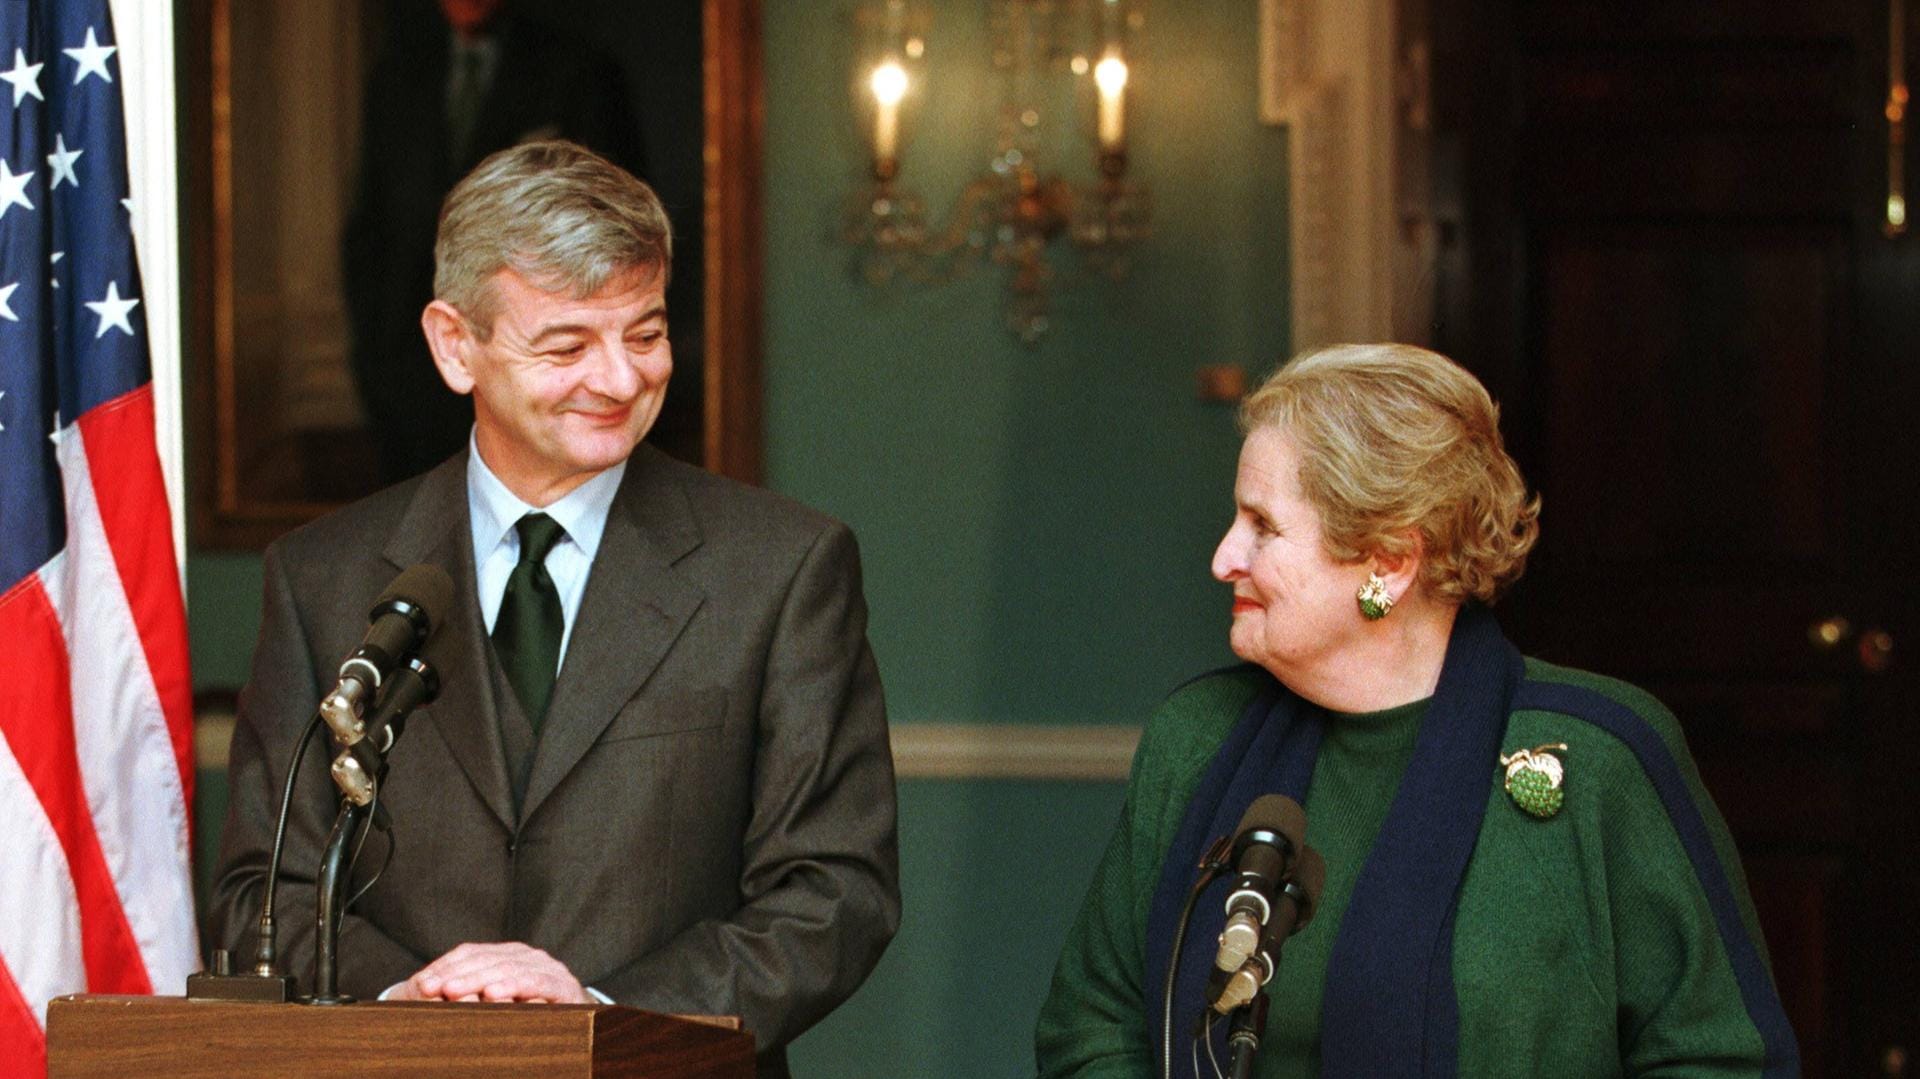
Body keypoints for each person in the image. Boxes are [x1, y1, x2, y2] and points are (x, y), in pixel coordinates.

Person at [213, 140, 899, 1079]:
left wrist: (600, 1019)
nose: (619, 379)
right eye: (568, 345)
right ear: (456, 345)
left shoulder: (783, 570)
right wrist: (418, 1006)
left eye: (646, 334)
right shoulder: (321, 577)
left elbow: (833, 892)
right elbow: (263, 892)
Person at [1034, 344, 1797, 1077]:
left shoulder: (1603, 759)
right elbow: (1092, 1021)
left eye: (1263, 526)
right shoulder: (1197, 738)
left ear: (1391, 561)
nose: (1224, 557)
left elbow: (1721, 1057)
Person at [342, 0, 649, 484]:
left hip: (545, 371)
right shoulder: (399, 77)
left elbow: (624, 233)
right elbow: (370, 232)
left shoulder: (577, 70)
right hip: (409, 379)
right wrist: (373, 367)